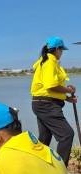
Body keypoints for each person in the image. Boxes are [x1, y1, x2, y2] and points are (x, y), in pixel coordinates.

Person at [31, 36, 77, 167]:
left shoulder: (45, 62)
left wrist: (67, 98)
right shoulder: (50, 63)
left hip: (42, 103)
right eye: (62, 50)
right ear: (57, 49)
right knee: (67, 135)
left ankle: (37, 167)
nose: (62, 53)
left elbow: (47, 89)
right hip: (46, 105)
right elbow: (51, 86)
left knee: (45, 137)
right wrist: (67, 90)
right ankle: (60, 171)